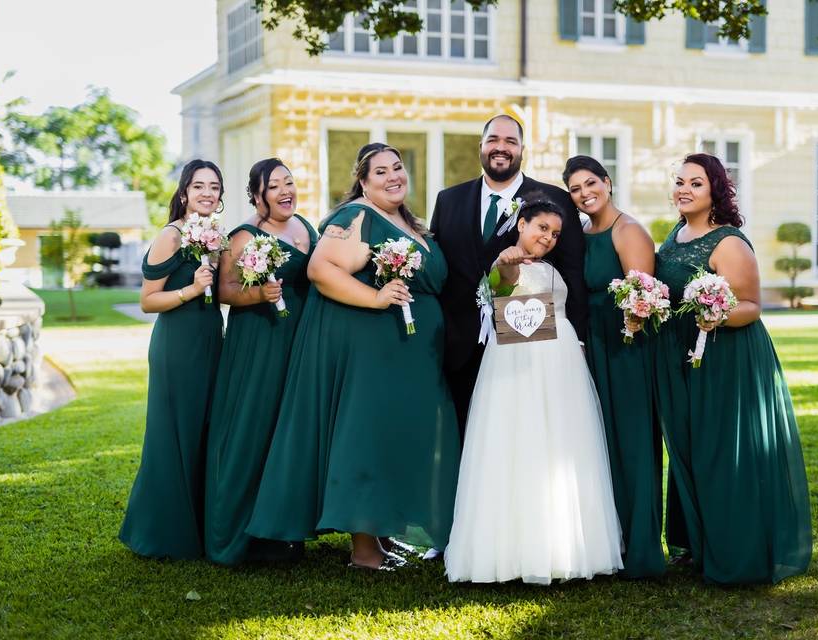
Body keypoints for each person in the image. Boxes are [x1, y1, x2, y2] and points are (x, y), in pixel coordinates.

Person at [247, 143, 460, 571]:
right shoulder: (355, 215)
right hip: (376, 351)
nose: (392, 177)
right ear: (363, 182)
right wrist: (377, 297)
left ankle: (382, 536)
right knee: (369, 439)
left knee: (395, 439)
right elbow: (321, 270)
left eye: (397, 167)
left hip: (412, 354)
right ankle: (363, 552)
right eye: (379, 172)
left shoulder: (405, 220)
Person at [444, 194, 623, 585]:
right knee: (519, 443)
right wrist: (505, 268)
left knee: (559, 446)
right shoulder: (505, 261)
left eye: (556, 233)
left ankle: (563, 546)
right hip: (518, 364)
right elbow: (502, 287)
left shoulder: (551, 268)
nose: (548, 237)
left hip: (560, 366)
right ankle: (512, 551)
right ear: (522, 223)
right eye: (542, 227)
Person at [653, 153, 812, 584]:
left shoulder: (729, 242)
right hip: (682, 356)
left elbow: (752, 307)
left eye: (696, 184)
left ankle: (734, 550)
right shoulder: (676, 233)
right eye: (680, 181)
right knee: (689, 449)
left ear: (715, 191)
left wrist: (715, 316)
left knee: (721, 452)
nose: (683, 189)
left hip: (725, 359)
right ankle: (699, 543)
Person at [430, 114, 588, 438]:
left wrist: (578, 341)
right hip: (461, 347)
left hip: (527, 350)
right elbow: (440, 270)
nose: (500, 148)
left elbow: (573, 273)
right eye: (493, 140)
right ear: (481, 146)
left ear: (522, 149)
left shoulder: (554, 199)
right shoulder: (448, 200)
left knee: (523, 437)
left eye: (510, 141)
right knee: (467, 444)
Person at [204, 158, 318, 565]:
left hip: (301, 341)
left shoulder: (307, 226)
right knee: (253, 429)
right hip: (260, 341)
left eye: (289, 182)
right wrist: (259, 296)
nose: (286, 191)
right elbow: (225, 291)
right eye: (274, 187)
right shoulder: (243, 236)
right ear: (257, 196)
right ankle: (239, 534)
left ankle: (285, 531)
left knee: (289, 434)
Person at [563, 155, 666, 578]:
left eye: (591, 183)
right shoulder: (583, 233)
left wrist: (631, 324)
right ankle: (612, 541)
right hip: (594, 348)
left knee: (634, 445)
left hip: (628, 349)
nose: (585, 193)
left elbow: (643, 298)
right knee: (602, 445)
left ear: (608, 182)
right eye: (575, 189)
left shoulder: (629, 231)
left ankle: (641, 548)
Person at [119, 159, 225, 559]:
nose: (206, 193)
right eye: (198, 186)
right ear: (184, 192)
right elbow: (148, 301)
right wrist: (191, 292)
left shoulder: (214, 235)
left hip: (210, 340)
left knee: (203, 431)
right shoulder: (171, 235)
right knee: (174, 434)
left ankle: (199, 526)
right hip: (177, 346)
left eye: (214, 187)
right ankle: (161, 533)